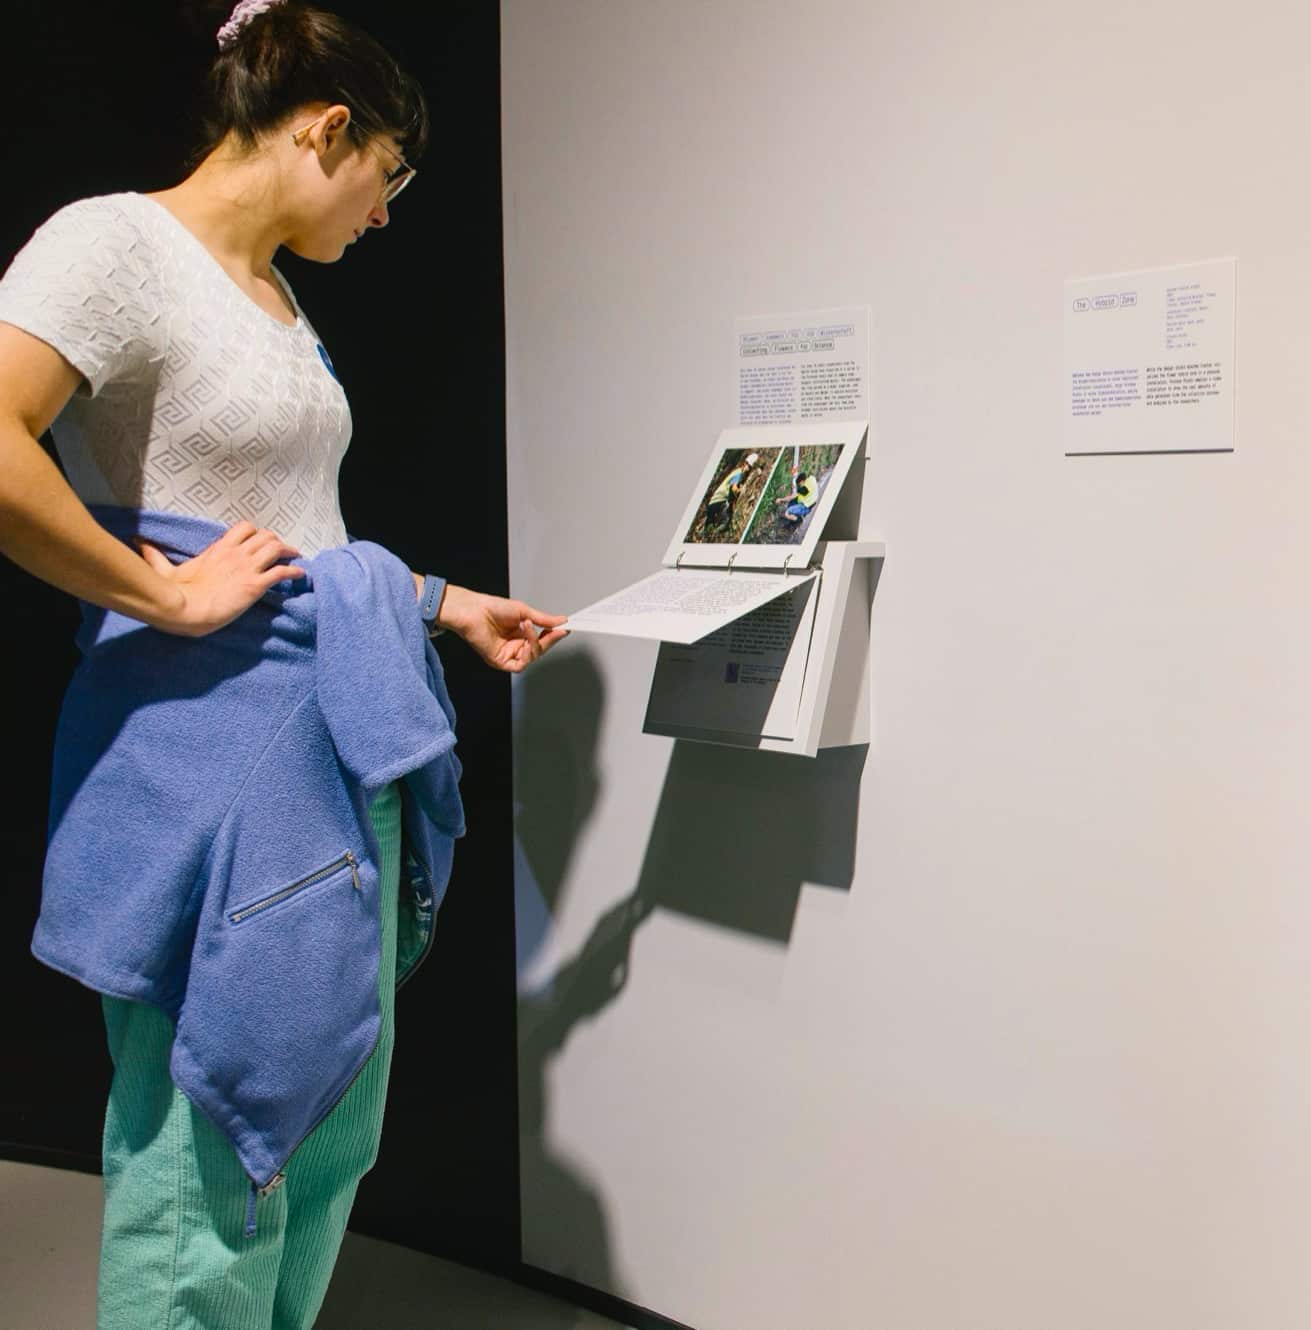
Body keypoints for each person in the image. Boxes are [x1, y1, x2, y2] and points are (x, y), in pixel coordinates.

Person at [0, 3, 565, 1326]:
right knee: (211, 1142)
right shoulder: (114, 245)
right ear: (329, 129)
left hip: (328, 745)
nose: (383, 214)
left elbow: (301, 533)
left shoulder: (277, 298)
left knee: (322, 1117)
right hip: (209, 757)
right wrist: (159, 590)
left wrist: (438, 602)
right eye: (390, 177)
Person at [704, 450, 760, 530]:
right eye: (748, 466)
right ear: (745, 463)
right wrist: (740, 491)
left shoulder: (737, 471)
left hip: (713, 501)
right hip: (717, 501)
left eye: (750, 467)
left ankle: (711, 529)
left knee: (710, 524)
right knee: (727, 518)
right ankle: (717, 530)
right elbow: (733, 488)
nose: (748, 468)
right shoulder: (739, 474)